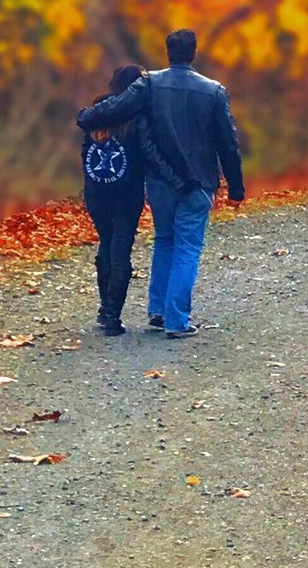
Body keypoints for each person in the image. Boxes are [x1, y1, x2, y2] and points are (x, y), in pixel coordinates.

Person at [77, 29, 244, 339]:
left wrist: (86, 117)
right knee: (188, 248)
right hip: (199, 182)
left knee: (165, 239)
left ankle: (157, 309)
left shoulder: (149, 83)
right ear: (193, 53)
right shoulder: (213, 91)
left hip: (160, 182)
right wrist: (236, 186)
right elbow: (227, 142)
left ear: (168, 53)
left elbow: (117, 107)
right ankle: (177, 320)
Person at [81, 64, 187, 337]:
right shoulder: (136, 117)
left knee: (105, 243)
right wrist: (177, 180)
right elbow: (150, 153)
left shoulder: (96, 111)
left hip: (96, 193)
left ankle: (105, 310)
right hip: (127, 196)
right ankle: (113, 316)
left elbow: (84, 145)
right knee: (121, 251)